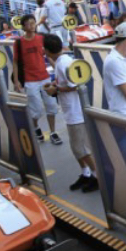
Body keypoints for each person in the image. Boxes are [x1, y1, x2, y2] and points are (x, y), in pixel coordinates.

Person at [41, 34, 98, 193]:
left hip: (75, 112)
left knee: (81, 149)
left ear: (46, 50)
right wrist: (56, 83)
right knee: (76, 148)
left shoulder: (63, 64)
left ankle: (96, 176)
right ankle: (86, 173)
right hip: (70, 111)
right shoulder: (63, 61)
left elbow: (76, 85)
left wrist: (56, 89)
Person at [12, 15, 62, 145]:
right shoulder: (18, 42)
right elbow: (15, 62)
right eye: (28, 24)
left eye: (33, 23)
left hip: (44, 77)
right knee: (37, 109)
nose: (32, 26)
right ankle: (36, 127)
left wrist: (57, 69)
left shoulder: (41, 38)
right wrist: (17, 81)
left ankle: (53, 132)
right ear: (23, 27)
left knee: (51, 106)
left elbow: (48, 56)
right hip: (30, 80)